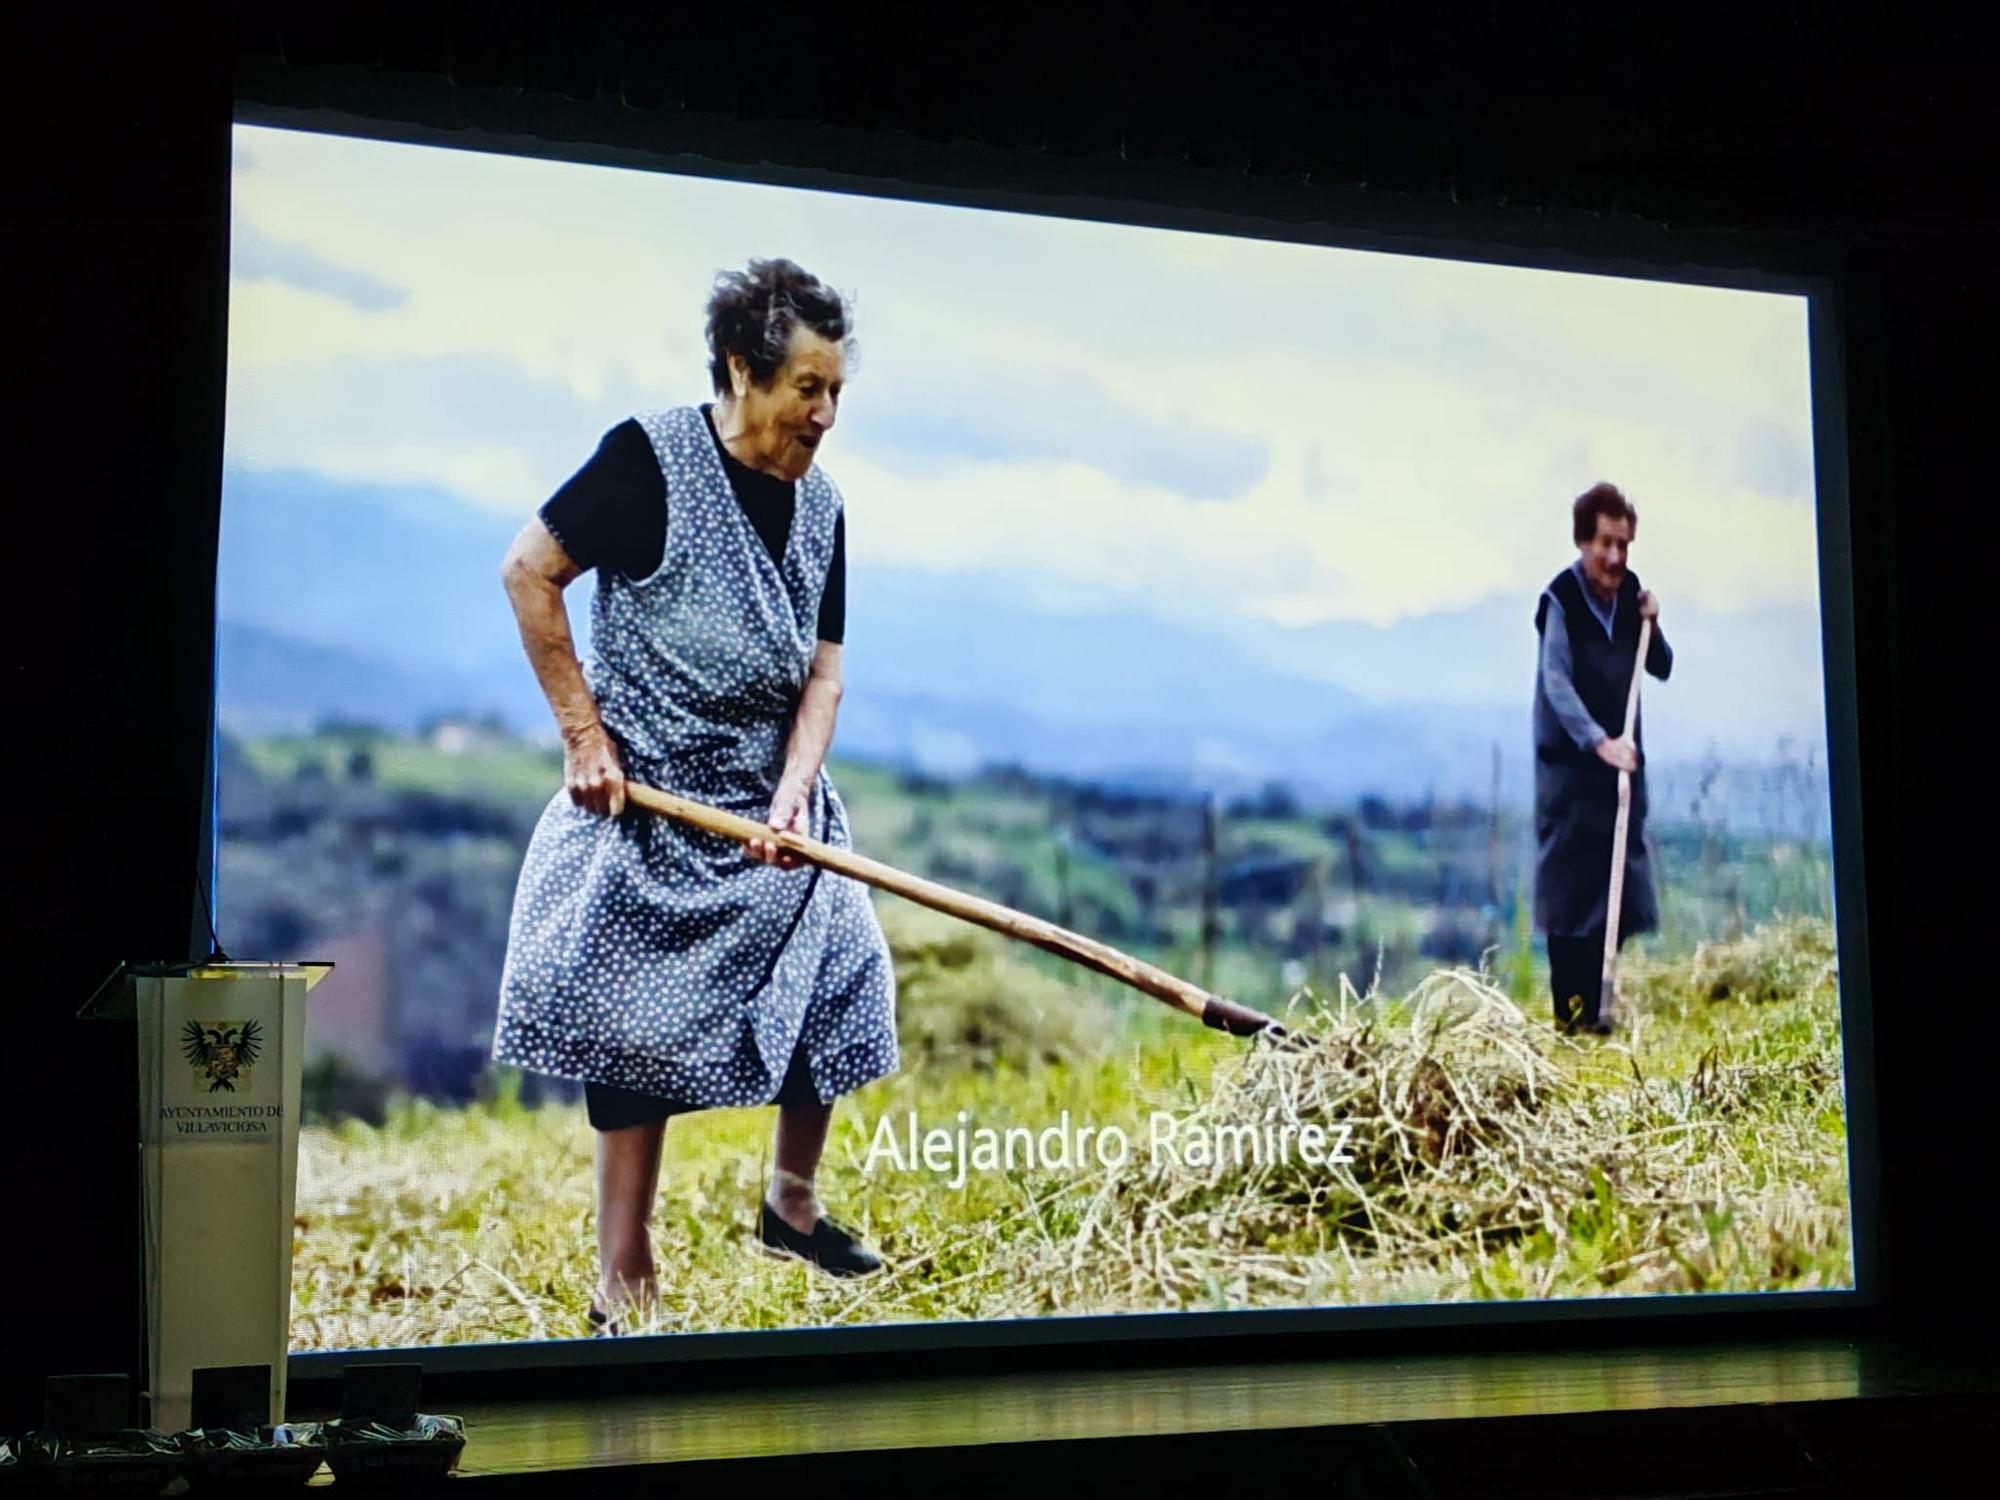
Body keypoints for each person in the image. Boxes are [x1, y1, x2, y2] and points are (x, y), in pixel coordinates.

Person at [492, 258, 898, 1331]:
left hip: (771, 802)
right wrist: (585, 740)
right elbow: (528, 571)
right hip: (651, 802)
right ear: (740, 370)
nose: (823, 414)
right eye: (806, 388)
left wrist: (794, 801)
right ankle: (622, 1276)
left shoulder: (825, 508)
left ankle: (792, 1207)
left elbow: (824, 671)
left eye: (836, 394)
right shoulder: (649, 462)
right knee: (633, 1019)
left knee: (843, 965)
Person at [1532, 481, 1674, 1035]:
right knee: (1571, 901)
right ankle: (1571, 1021)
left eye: (1623, 545)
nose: (1614, 557)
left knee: (1613, 890)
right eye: (1605, 544)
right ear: (1583, 541)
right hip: (1572, 773)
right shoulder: (1560, 601)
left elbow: (1660, 664)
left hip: (1618, 777)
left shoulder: (1632, 595)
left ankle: (1601, 1013)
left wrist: (1652, 622)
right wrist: (1597, 741)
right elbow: (1556, 683)